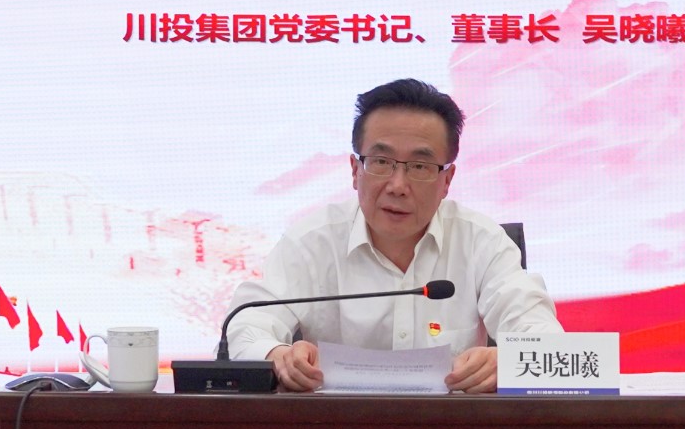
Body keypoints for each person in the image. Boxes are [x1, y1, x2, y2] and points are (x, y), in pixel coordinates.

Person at [225, 78, 562, 393]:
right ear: (355, 170)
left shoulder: (481, 242)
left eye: (420, 167)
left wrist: (511, 362)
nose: (398, 186)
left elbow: (545, 340)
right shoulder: (311, 242)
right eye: (381, 162)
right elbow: (248, 323)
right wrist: (277, 355)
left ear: (447, 180)